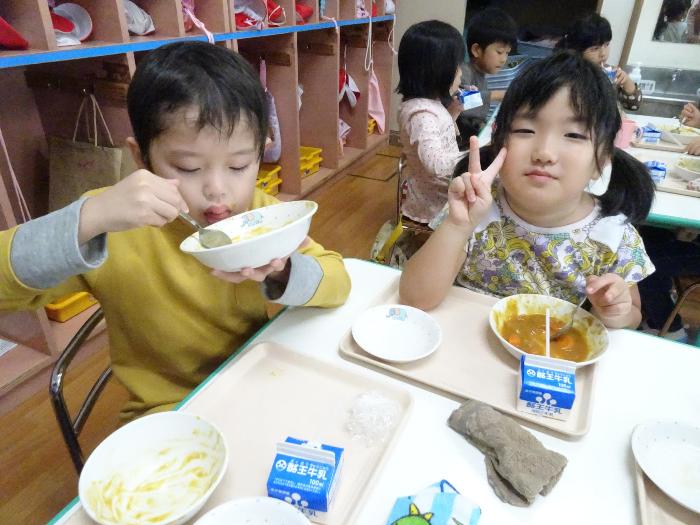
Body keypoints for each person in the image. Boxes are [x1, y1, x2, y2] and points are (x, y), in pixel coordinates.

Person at [0, 41, 351, 421]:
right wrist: (89, 218)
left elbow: (338, 281)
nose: (218, 189)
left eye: (238, 166)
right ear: (141, 157)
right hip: (167, 410)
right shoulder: (114, 226)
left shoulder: (259, 216)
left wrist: (282, 271)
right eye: (187, 168)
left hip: (255, 380)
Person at [399, 52, 656, 330]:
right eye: (525, 129)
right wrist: (457, 226)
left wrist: (616, 311)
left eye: (573, 135)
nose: (544, 152)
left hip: (551, 359)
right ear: (499, 142)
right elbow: (415, 298)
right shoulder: (477, 209)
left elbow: (632, 315)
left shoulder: (613, 235)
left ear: (602, 159)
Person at [396, 20, 466, 225]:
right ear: (439, 71)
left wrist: (453, 112)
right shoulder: (421, 113)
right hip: (434, 204)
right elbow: (435, 164)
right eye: (457, 66)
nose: (461, 72)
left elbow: (439, 137)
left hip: (437, 190)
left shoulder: (428, 106)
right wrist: (478, 154)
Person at [457, 7, 518, 146]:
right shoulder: (464, 72)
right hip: (459, 142)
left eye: (507, 53)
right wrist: (496, 95)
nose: (504, 59)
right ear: (476, 50)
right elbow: (461, 102)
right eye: (499, 52)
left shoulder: (481, 75)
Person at [556, 13, 642, 111]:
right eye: (595, 48)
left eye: (606, 45)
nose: (603, 54)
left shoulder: (607, 72)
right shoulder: (565, 75)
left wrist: (626, 81)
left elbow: (634, 105)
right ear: (577, 50)